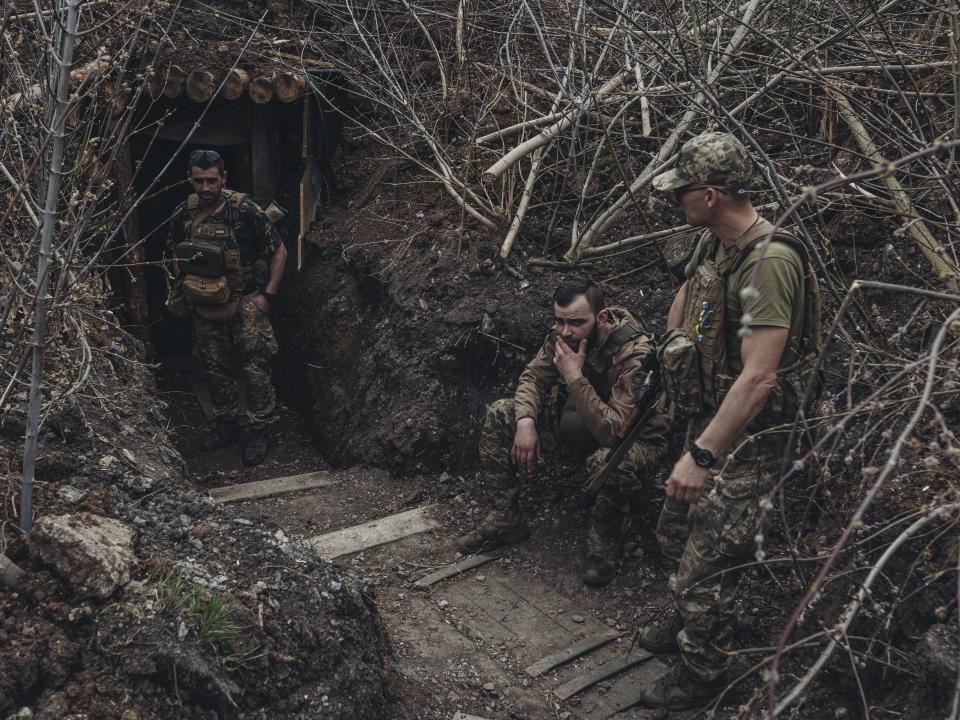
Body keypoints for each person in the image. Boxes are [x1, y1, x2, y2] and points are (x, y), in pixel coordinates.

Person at [636, 132, 821, 710]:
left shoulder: (770, 263)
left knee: (705, 560)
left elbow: (760, 377)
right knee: (673, 530)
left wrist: (703, 455)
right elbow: (689, 294)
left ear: (710, 195)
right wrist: (672, 349)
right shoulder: (715, 244)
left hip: (753, 437)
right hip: (708, 416)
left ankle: (702, 671)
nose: (675, 202)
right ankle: (690, 616)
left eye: (682, 193)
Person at [457, 278, 669, 586]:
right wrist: (526, 421)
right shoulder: (562, 338)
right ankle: (505, 519)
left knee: (609, 461)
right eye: (559, 321)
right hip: (577, 427)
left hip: (632, 442)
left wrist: (573, 376)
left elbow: (615, 432)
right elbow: (532, 377)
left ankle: (604, 546)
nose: (566, 331)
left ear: (602, 317)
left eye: (577, 323)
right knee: (503, 413)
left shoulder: (634, 354)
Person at [166, 149, 288, 466]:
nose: (205, 188)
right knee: (213, 365)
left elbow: (279, 251)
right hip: (205, 302)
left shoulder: (245, 210)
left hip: (247, 299)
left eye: (211, 181)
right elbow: (175, 254)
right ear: (189, 179)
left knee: (254, 366)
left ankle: (259, 429)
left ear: (224, 178)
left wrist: (267, 297)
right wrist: (188, 290)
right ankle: (227, 424)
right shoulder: (184, 213)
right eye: (198, 181)